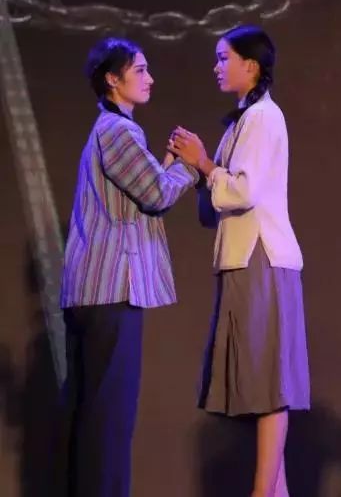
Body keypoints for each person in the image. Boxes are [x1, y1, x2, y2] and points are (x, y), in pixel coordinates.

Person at [168, 25, 309, 497]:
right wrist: (196, 168)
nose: (216, 66)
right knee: (257, 383)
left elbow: (243, 190)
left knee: (268, 385)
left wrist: (206, 164)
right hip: (241, 261)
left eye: (223, 57)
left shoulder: (264, 117)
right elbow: (218, 203)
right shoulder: (240, 122)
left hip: (260, 258)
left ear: (251, 65)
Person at [61, 37, 198, 497]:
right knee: (110, 420)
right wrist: (191, 167)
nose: (150, 78)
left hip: (97, 293)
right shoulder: (118, 131)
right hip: (110, 292)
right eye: (139, 70)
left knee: (98, 417)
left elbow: (139, 194)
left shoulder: (111, 131)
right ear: (112, 80)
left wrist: (167, 166)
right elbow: (156, 195)